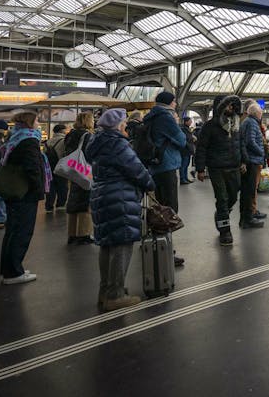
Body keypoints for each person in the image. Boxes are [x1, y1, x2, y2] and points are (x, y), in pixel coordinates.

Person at [87, 108, 156, 312]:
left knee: (108, 245)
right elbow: (135, 168)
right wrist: (150, 184)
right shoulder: (117, 143)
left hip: (102, 195)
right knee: (122, 245)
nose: (126, 125)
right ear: (118, 125)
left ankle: (105, 291)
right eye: (124, 123)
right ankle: (115, 295)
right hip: (119, 196)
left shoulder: (97, 142)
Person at [0, 111, 48, 285]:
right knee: (22, 231)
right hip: (24, 192)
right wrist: (38, 188)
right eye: (36, 120)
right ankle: (13, 272)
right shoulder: (29, 141)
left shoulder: (16, 138)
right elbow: (32, 167)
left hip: (14, 191)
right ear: (30, 122)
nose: (39, 123)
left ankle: (9, 269)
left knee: (12, 230)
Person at [196, 94, 253, 244]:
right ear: (219, 106)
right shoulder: (209, 126)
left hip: (234, 167)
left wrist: (244, 161)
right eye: (227, 105)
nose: (231, 108)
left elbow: (240, 144)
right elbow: (201, 147)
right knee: (222, 199)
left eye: (232, 105)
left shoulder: (236, 124)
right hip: (217, 168)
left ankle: (221, 214)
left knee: (233, 197)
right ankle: (225, 231)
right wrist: (200, 168)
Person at [144, 92, 187, 267]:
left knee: (158, 208)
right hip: (167, 166)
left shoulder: (150, 116)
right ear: (170, 102)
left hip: (154, 166)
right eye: (175, 101)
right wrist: (177, 125)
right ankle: (166, 251)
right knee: (169, 210)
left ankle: (157, 246)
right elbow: (182, 140)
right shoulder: (166, 118)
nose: (176, 104)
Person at [65, 113, 96, 245]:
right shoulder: (88, 136)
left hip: (73, 168)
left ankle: (72, 234)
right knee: (86, 200)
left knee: (73, 200)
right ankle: (84, 234)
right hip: (84, 169)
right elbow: (91, 154)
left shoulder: (70, 134)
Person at [239, 102, 267, 229]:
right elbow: (251, 141)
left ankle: (247, 216)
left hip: (251, 160)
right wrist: (262, 151)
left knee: (248, 190)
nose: (261, 115)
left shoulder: (248, 122)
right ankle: (248, 219)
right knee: (249, 190)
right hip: (253, 160)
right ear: (257, 113)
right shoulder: (251, 123)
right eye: (261, 113)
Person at [44, 124, 69, 212]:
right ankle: (60, 204)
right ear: (62, 130)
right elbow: (65, 154)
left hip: (49, 167)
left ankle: (49, 206)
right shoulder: (64, 141)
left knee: (51, 186)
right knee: (62, 186)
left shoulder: (48, 141)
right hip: (60, 166)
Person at [179, 116, 196, 185]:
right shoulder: (183, 129)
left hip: (188, 150)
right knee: (183, 165)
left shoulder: (187, 128)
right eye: (190, 121)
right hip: (185, 150)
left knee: (186, 165)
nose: (191, 122)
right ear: (186, 122)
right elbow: (185, 139)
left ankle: (185, 178)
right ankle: (182, 179)